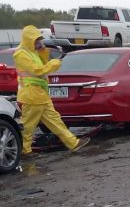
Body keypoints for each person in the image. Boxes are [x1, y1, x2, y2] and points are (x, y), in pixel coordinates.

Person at [14, 25, 89, 155]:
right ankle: (25, 151)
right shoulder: (20, 54)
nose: (39, 42)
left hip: (41, 94)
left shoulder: (32, 52)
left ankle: (73, 143)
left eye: (39, 39)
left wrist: (43, 52)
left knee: (56, 121)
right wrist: (53, 63)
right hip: (31, 95)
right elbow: (37, 70)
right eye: (36, 40)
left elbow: (42, 65)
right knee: (28, 126)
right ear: (28, 40)